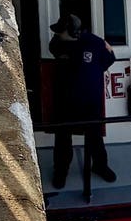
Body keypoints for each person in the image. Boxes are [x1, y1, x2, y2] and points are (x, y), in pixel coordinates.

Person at [48, 13, 117, 189]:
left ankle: (100, 166)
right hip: (65, 101)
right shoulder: (58, 43)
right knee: (63, 138)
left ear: (73, 32)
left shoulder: (95, 43)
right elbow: (53, 48)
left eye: (61, 31)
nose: (57, 34)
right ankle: (61, 171)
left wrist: (91, 72)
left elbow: (109, 58)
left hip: (90, 101)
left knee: (95, 137)